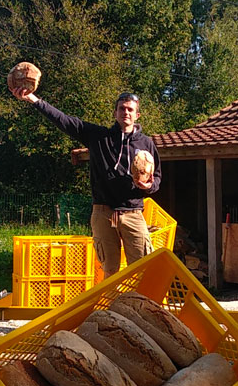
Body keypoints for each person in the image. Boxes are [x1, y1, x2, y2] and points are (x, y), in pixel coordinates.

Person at [11, 87, 162, 279]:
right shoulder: (99, 137)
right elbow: (64, 120)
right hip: (103, 213)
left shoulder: (146, 144)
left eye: (130, 110)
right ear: (115, 113)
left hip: (133, 213)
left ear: (137, 115)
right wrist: (32, 99)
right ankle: (110, 308)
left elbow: (157, 178)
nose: (126, 112)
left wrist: (149, 186)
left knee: (143, 267)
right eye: (122, 109)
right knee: (110, 269)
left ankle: (140, 307)